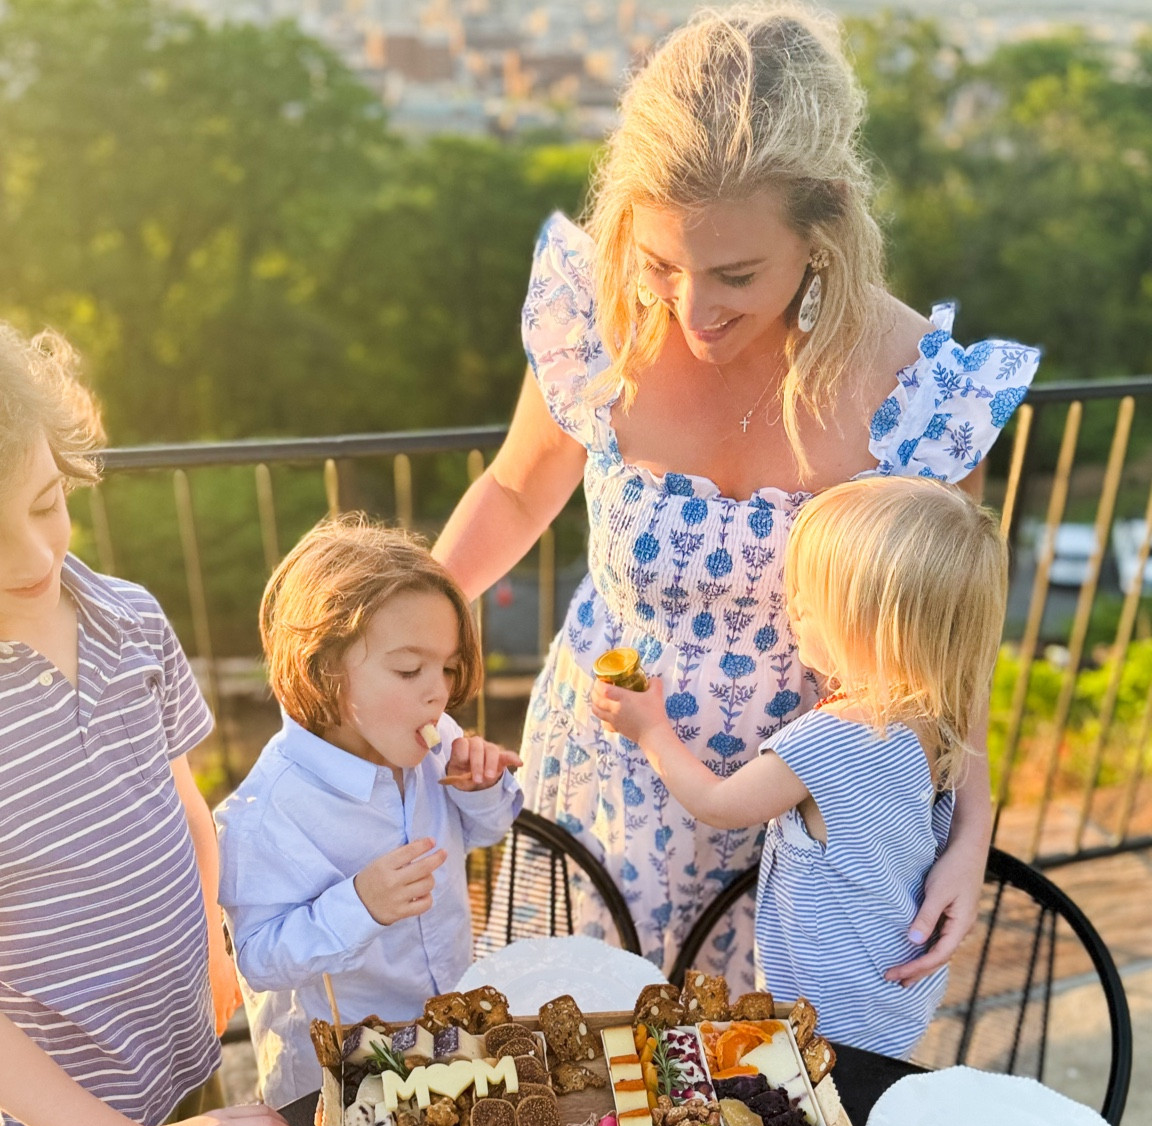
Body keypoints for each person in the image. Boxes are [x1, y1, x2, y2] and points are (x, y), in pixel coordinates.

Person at [433, 3, 1039, 986]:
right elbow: (511, 489)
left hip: (795, 831)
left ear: (825, 228)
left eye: (737, 273)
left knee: (746, 1110)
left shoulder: (921, 394)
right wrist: (391, 633)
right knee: (578, 1087)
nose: (693, 309)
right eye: (663, 263)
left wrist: (971, 828)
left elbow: (941, 648)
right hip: (599, 795)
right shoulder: (599, 313)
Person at [0, 323, 298, 1126]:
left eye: (47, 505)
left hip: (186, 1060)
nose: (32, 557)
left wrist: (214, 935)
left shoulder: (130, 618)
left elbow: (184, 803)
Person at [592, 476, 1008, 1056]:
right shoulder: (937, 712)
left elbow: (721, 805)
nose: (791, 612)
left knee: (823, 1123)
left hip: (826, 1010)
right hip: (890, 985)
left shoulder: (832, 738)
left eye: (806, 606)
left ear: (866, 629)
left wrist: (650, 730)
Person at [216, 516, 523, 1123]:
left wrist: (482, 788)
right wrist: (359, 905)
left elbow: (485, 833)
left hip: (445, 1045)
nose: (439, 693)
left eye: (449, 668)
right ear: (326, 668)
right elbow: (255, 957)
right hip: (337, 1086)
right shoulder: (268, 810)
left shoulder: (434, 742)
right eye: (410, 671)